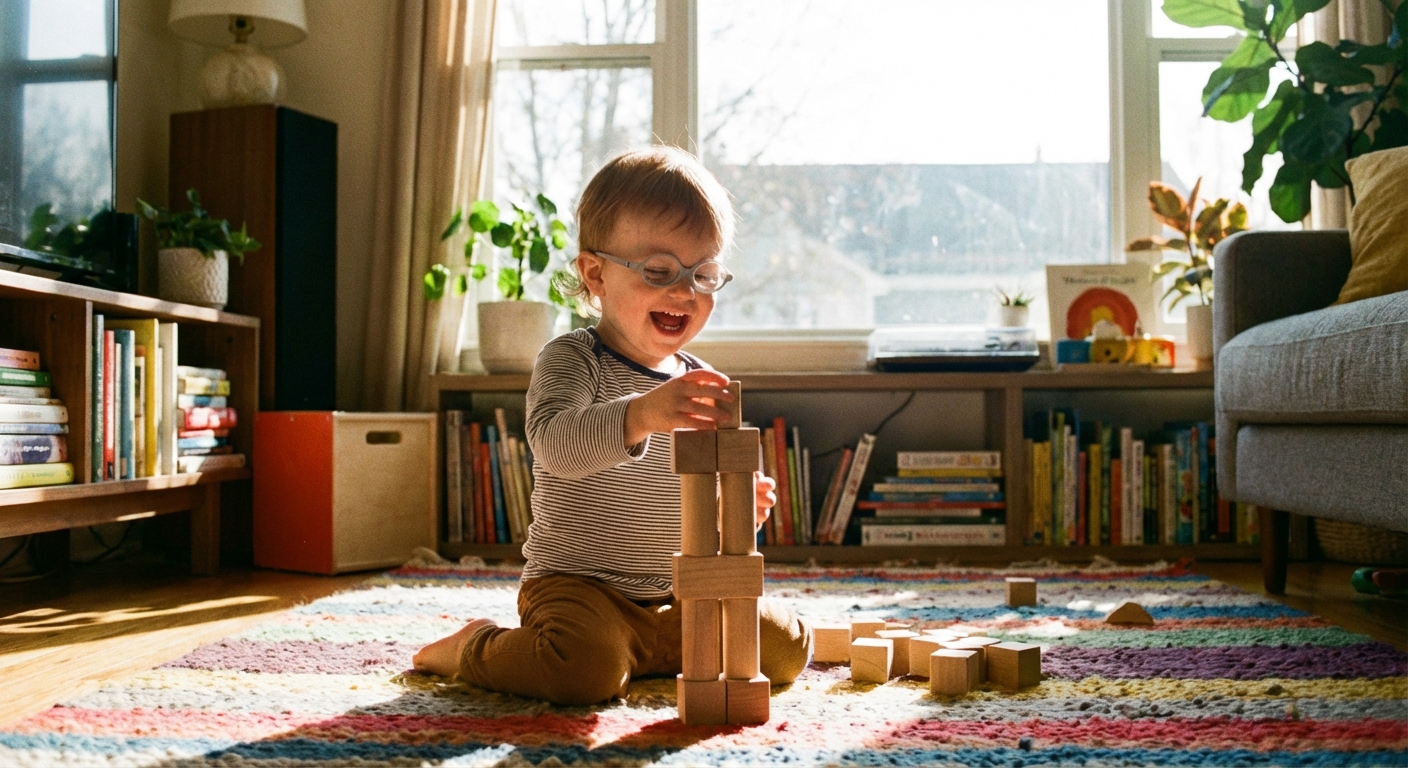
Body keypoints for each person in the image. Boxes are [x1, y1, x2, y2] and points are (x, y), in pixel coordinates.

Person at [413, 147, 813, 705]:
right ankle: (473, 648)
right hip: (579, 591)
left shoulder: (703, 383)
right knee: (583, 674)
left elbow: (703, 509)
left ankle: (641, 659)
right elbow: (555, 446)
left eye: (704, 275)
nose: (685, 292)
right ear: (595, 274)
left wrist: (738, 508)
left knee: (784, 648)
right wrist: (644, 411)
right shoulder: (573, 359)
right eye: (658, 271)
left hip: (677, 597)